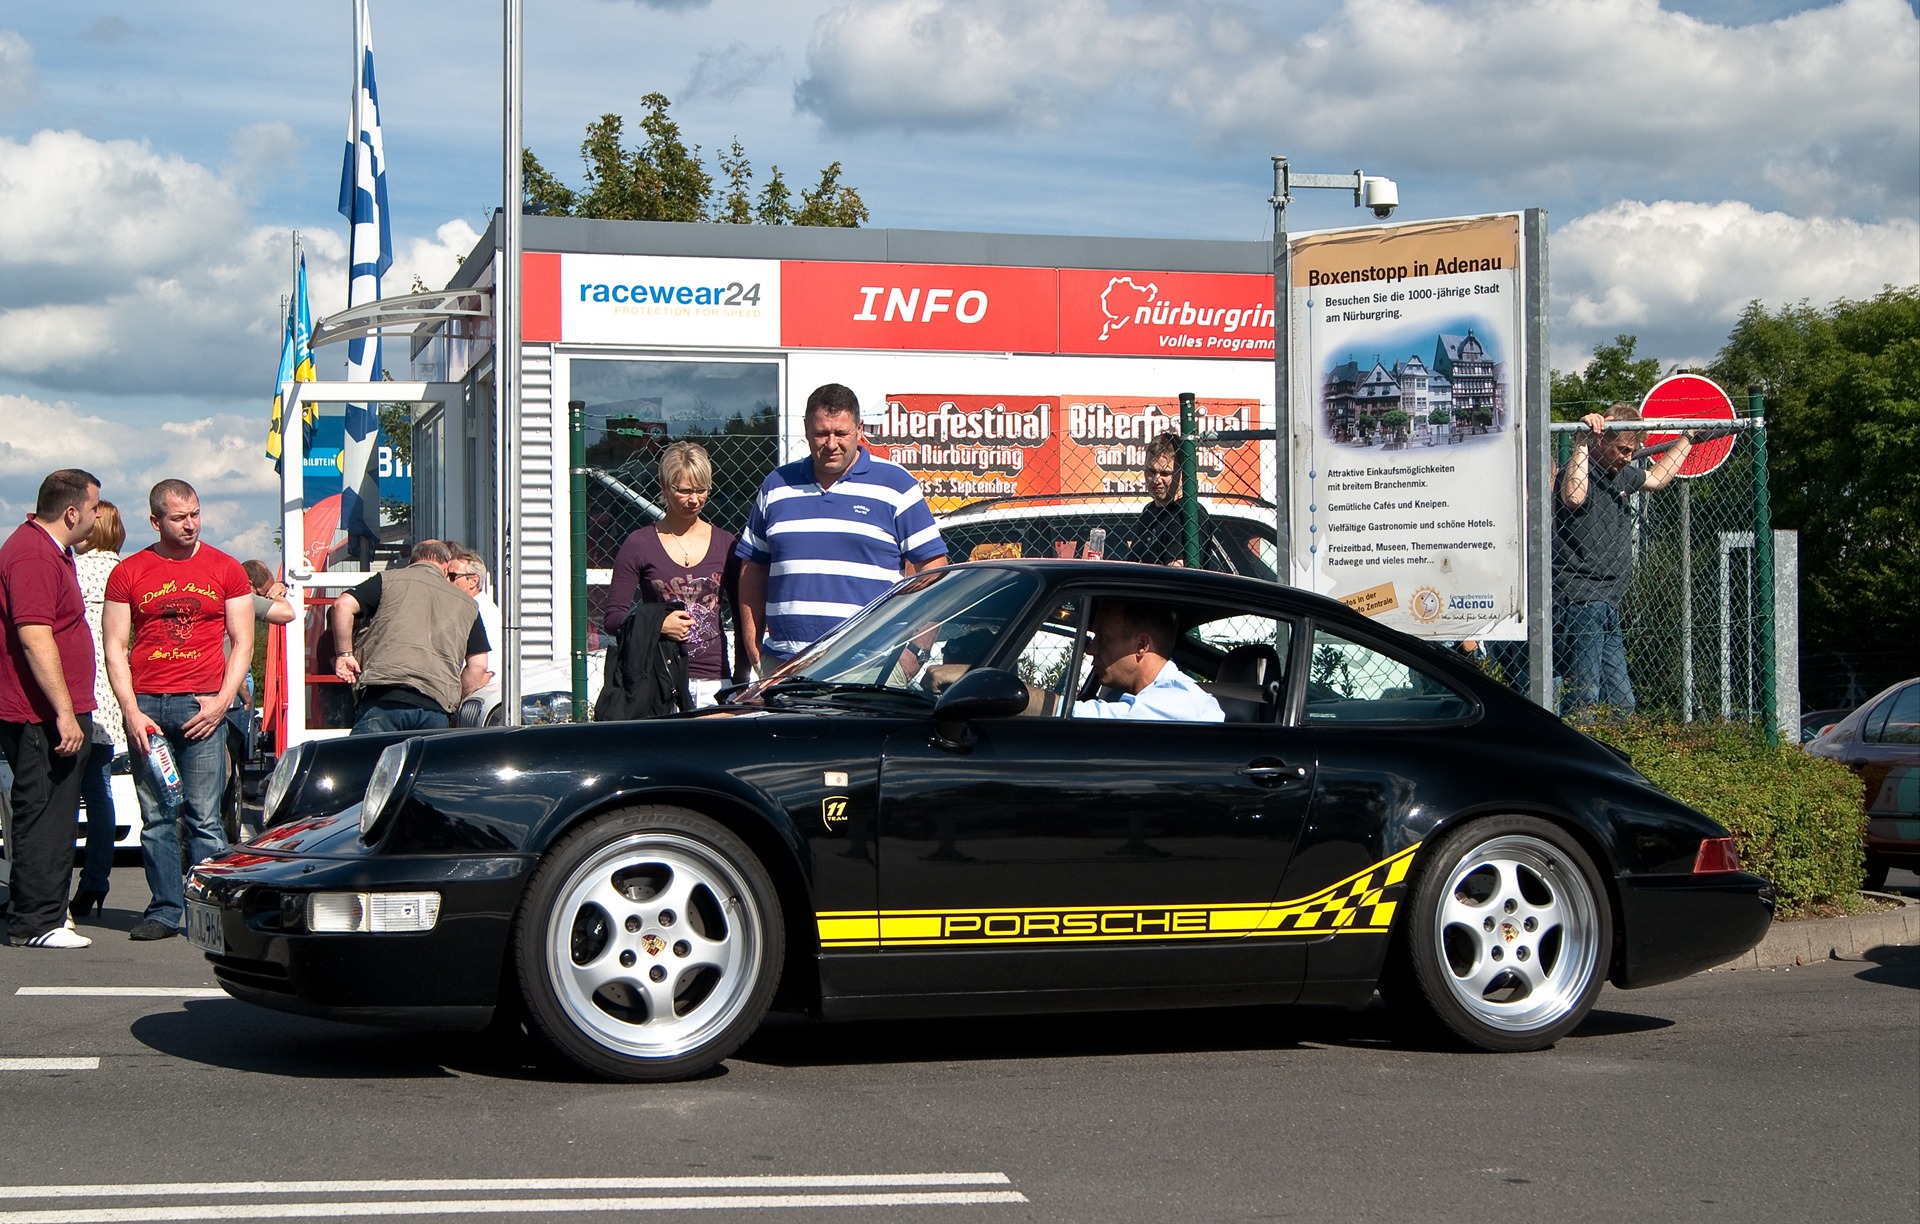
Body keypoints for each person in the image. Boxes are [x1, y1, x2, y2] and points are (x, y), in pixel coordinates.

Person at [104, 480, 254, 941]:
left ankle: (212, 913)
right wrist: (130, 711)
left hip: (202, 705)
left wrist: (222, 700)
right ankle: (166, 909)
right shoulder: (129, 572)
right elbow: (114, 645)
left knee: (205, 817)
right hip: (148, 707)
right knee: (157, 816)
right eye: (178, 517)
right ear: (156, 521)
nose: (190, 524)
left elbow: (243, 641)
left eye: (194, 514)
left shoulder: (226, 568)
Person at [735, 383, 947, 675]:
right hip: (786, 665)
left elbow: (934, 571)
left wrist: (914, 651)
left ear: (859, 429)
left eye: (841, 433)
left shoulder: (896, 486)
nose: (831, 443)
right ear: (806, 429)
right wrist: (752, 644)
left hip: (868, 666)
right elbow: (753, 567)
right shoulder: (776, 485)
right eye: (822, 433)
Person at [1, 469, 102, 949]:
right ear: (71, 511)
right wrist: (63, 712)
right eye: (94, 507)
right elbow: (35, 634)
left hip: (50, 710)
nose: (97, 516)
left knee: (54, 811)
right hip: (38, 713)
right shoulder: (32, 554)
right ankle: (38, 922)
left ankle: (44, 912)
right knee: (44, 811)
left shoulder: (49, 552)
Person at [1553, 405, 1693, 716]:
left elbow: (1657, 478)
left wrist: (1687, 437)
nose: (1628, 457)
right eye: (1623, 449)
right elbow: (1574, 497)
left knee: (1622, 702)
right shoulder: (1580, 470)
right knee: (1583, 694)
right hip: (1581, 599)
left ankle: (1620, 748)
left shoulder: (1622, 474)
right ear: (1602, 441)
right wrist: (1580, 442)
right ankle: (1576, 754)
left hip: (1608, 602)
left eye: (1633, 450)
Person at [604, 442, 742, 708]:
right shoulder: (639, 544)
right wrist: (657, 625)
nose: (694, 500)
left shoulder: (726, 544)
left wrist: (741, 678)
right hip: (658, 680)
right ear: (666, 487)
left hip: (715, 681)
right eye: (685, 490)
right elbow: (613, 618)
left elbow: (741, 615)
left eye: (702, 490)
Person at [331, 538, 490, 734]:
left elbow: (342, 605)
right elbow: (478, 665)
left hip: (384, 698)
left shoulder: (388, 580)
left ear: (411, 562)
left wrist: (344, 654)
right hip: (435, 706)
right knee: (426, 765)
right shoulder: (469, 605)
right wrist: (454, 700)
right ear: (446, 567)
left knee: (365, 763)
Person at [70, 500, 127, 920]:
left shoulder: (76, 569)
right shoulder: (125, 572)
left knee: (63, 795)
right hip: (110, 696)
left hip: (75, 691)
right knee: (100, 793)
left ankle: (55, 883)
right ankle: (96, 879)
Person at [1071, 600, 1223, 722]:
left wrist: (1050, 703)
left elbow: (1104, 721)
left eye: (1103, 638)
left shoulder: (1180, 702)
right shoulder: (1159, 699)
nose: (1090, 649)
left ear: (1141, 646)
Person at [1120, 431, 1216, 568]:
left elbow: (1176, 572)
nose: (1156, 480)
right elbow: (1132, 564)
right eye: (1151, 471)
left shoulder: (1188, 514)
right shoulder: (1149, 511)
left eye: (1165, 473)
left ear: (1181, 473)